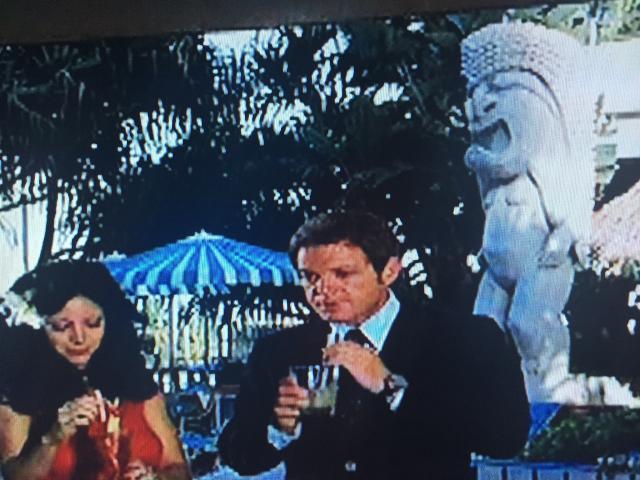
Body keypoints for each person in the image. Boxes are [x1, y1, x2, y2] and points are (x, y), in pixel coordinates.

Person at [218, 210, 530, 479]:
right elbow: (236, 453)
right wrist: (278, 431)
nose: (323, 290)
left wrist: (391, 387)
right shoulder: (278, 352)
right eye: (310, 277)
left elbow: (506, 438)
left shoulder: (462, 338)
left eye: (342, 274)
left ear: (390, 271)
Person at [0, 260, 191, 480]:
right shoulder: (18, 393)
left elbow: (180, 470)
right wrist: (52, 439)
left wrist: (157, 477)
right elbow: (15, 475)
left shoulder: (138, 385)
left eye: (92, 323)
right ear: (39, 328)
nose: (79, 338)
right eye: (62, 326)